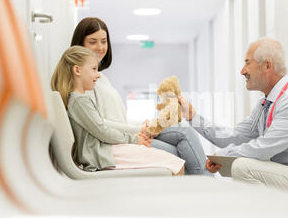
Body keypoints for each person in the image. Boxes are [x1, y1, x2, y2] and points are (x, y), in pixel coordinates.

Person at [179, 38, 288, 199]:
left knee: (242, 167)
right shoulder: (266, 103)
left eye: (247, 63)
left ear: (267, 65)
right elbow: (234, 137)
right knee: (241, 166)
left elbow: (264, 148)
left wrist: (223, 155)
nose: (242, 71)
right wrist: (193, 117)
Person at [69, 17, 208, 175]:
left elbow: (116, 118)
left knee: (185, 132)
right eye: (93, 42)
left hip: (127, 133)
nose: (100, 47)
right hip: (116, 142)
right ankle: (207, 185)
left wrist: (144, 124)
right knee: (177, 154)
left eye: (103, 41)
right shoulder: (85, 82)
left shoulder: (101, 78)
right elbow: (100, 124)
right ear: (80, 44)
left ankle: (207, 183)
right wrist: (140, 130)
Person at [51, 45, 185, 175]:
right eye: (94, 69)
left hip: (105, 152)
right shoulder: (79, 101)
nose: (98, 75)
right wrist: (134, 140)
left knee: (173, 162)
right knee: (176, 164)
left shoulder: (79, 100)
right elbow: (103, 131)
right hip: (102, 156)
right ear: (77, 70)